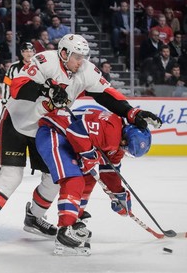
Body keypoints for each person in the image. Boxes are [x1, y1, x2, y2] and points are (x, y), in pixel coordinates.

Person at [0, 34, 162, 249]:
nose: (81, 61)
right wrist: (46, 89)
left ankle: (34, 218)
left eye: (84, 56)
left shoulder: (85, 70)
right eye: (77, 56)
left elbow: (106, 94)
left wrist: (132, 112)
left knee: (53, 178)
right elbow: (18, 87)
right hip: (17, 122)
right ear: (64, 53)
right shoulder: (44, 60)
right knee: (11, 176)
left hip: (47, 127)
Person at [35, 108, 152, 255]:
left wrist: (118, 194)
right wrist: (88, 155)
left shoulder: (118, 143)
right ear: (125, 137)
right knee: (74, 180)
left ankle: (75, 218)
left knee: (89, 178)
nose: (125, 150)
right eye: (126, 147)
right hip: (54, 132)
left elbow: (109, 172)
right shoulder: (111, 130)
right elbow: (75, 130)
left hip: (70, 140)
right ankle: (65, 233)